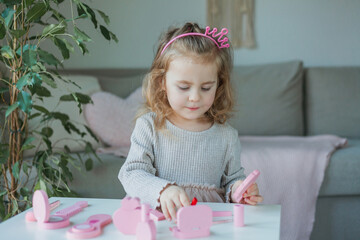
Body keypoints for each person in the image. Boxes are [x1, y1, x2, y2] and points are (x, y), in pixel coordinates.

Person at [118, 22, 263, 221]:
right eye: (184, 87)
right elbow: (132, 173)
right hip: (158, 220)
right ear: (162, 82)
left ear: (218, 85)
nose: (195, 97)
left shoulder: (227, 135)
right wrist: (163, 191)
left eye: (206, 88)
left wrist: (239, 190)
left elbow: (231, 180)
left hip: (207, 222)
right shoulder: (149, 126)